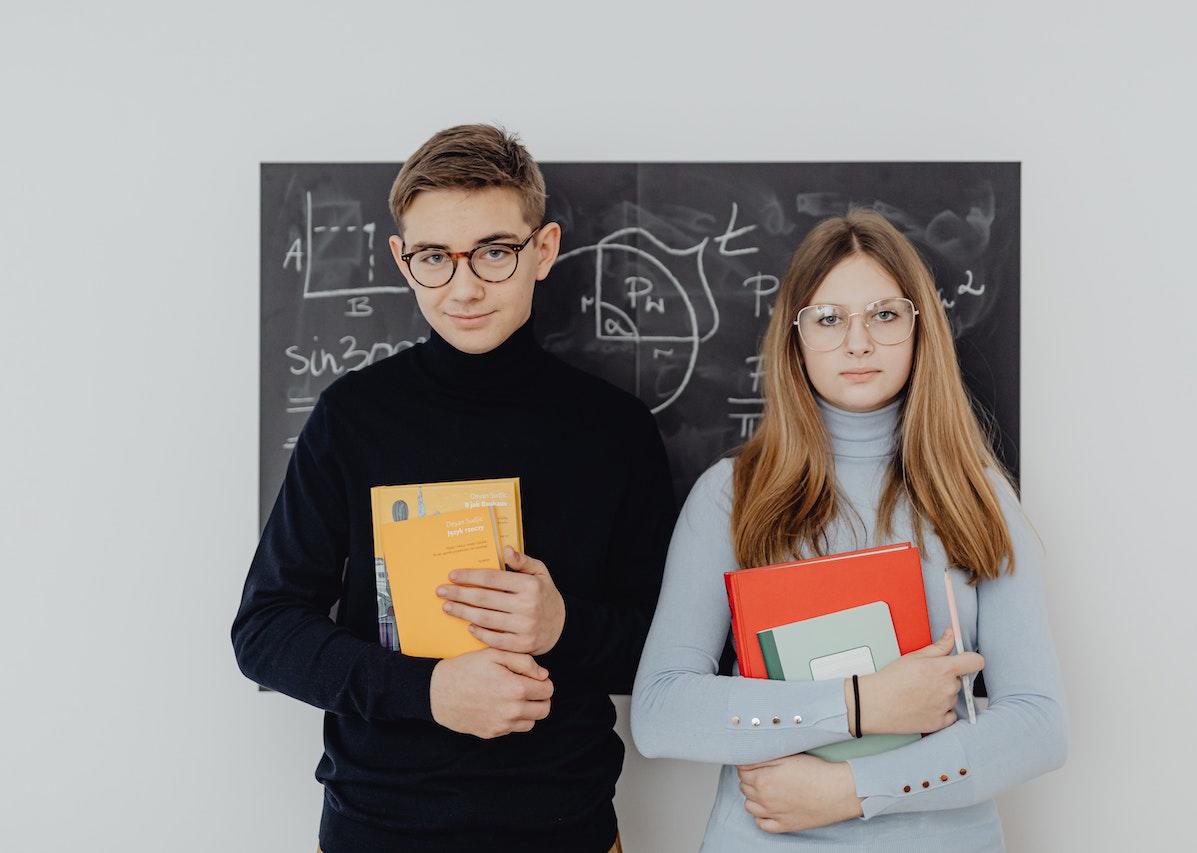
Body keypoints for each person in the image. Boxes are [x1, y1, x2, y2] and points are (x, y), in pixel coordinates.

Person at [233, 124, 676, 853]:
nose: (464, 287)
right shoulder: (353, 417)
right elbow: (265, 630)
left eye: (494, 252)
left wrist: (561, 624)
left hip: (565, 830)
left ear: (544, 249)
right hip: (377, 829)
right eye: (435, 257)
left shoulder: (615, 430)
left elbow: (668, 654)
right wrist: (429, 692)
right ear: (401, 260)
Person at [630, 209, 1067, 851]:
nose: (857, 343)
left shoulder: (977, 491)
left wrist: (853, 791)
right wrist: (860, 705)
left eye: (884, 315)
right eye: (829, 319)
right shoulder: (731, 495)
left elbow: (1038, 724)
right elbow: (660, 714)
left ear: (920, 330)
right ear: (795, 337)